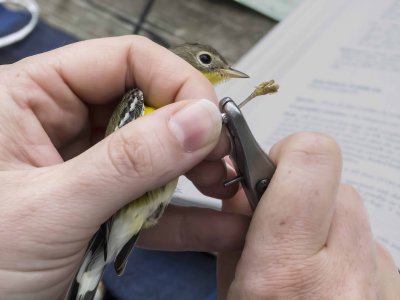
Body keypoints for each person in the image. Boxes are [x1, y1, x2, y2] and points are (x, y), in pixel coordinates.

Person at [0, 36, 398, 299]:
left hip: (139, 210)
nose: (217, 70)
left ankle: (88, 281)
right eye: (208, 62)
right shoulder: (140, 98)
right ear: (183, 62)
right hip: (119, 213)